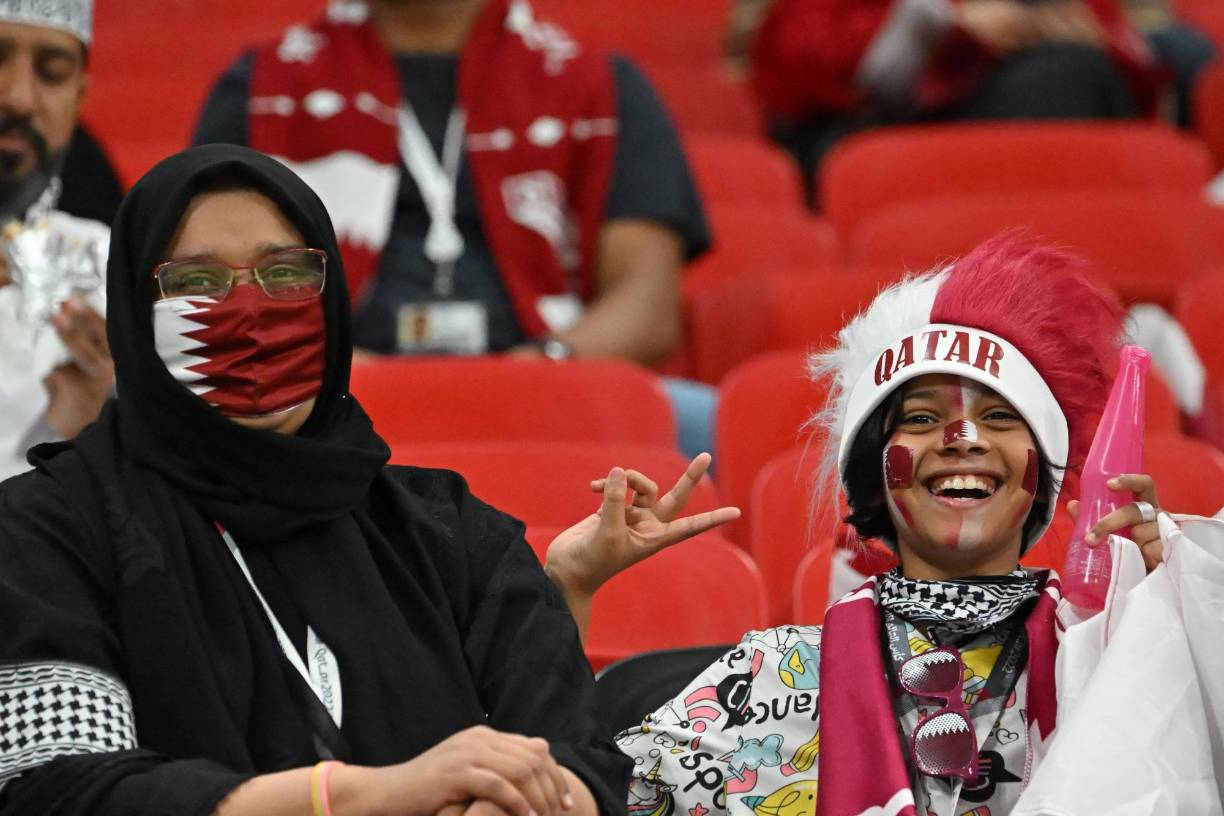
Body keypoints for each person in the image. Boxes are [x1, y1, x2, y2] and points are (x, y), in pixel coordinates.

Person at [0, 144, 691, 816]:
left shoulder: (446, 528)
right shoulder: (49, 529)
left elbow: (578, 763)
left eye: (286, 273)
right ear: (132, 307)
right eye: (196, 282)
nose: (249, 311)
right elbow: (60, 787)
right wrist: (373, 796)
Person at [545, 235, 1218, 812]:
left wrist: (1186, 613)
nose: (962, 438)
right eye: (921, 419)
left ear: (1040, 471)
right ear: (873, 472)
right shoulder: (775, 676)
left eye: (999, 417)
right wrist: (567, 591)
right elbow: (568, 798)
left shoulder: (1108, 650)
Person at [193, 0, 717, 459]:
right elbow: (213, 286)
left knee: (714, 428)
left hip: (548, 379)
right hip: (332, 386)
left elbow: (648, 304)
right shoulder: (259, 87)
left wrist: (547, 363)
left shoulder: (603, 85)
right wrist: (325, 364)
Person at [735, 0, 1160, 201]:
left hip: (1018, 113)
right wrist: (954, 26)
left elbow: (1136, 72)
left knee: (1075, 72)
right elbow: (792, 71)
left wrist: (1068, 31)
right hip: (885, 132)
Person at [0, 0, 120, 480]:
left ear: (78, 96)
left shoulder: (109, 272)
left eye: (51, 73)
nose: (18, 98)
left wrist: (84, 425)